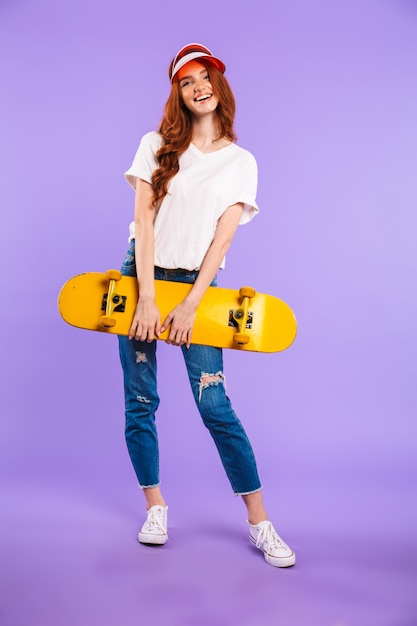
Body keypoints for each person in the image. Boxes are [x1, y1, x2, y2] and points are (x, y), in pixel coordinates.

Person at [118, 43, 295, 568]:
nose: (198, 86)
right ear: (178, 92)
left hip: (200, 289)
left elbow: (222, 243)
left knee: (215, 406)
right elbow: (144, 224)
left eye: (206, 76)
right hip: (142, 278)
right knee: (140, 401)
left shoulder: (241, 162)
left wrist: (192, 304)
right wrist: (147, 299)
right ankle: (155, 507)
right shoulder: (155, 145)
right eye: (187, 80)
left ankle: (260, 523)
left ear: (219, 85)